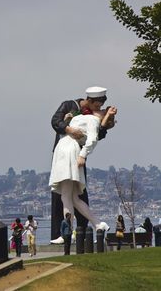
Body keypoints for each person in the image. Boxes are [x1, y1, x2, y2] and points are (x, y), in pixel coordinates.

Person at [51, 86, 116, 240]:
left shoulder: (93, 118)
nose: (98, 109)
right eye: (97, 106)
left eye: (100, 108)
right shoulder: (70, 105)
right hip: (67, 151)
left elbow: (96, 136)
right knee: (71, 196)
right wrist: (68, 128)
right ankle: (93, 225)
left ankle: (70, 232)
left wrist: (105, 121)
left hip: (72, 153)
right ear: (89, 101)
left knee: (69, 195)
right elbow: (55, 122)